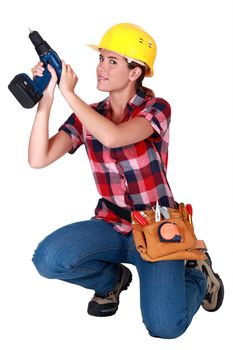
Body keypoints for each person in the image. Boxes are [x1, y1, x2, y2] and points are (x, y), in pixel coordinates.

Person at [30, 23, 224, 339]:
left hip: (157, 227)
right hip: (110, 224)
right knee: (49, 259)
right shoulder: (87, 114)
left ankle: (198, 273)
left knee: (164, 327)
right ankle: (112, 281)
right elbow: (39, 158)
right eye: (101, 59)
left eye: (112, 61)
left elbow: (114, 137)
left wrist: (70, 93)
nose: (101, 68)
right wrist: (48, 96)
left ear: (135, 72)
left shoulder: (155, 109)